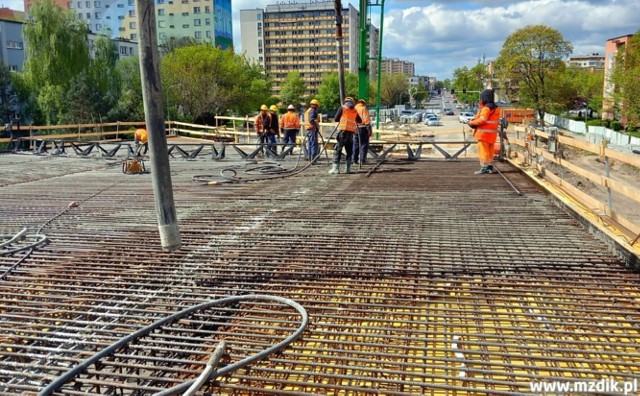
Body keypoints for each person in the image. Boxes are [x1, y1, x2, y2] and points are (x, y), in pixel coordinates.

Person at [468, 89, 500, 174]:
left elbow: (482, 119)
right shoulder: (496, 108)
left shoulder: (486, 108)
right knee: (490, 151)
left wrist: (471, 123)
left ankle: (484, 167)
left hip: (483, 135)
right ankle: (489, 166)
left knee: (483, 151)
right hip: (492, 134)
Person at [330, 97, 362, 174]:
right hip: (351, 133)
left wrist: (342, 118)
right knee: (349, 151)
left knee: (338, 149)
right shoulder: (354, 110)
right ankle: (348, 169)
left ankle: (336, 169)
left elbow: (336, 119)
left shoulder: (343, 108)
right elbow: (360, 121)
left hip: (343, 132)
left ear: (345, 102)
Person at [352, 98, 371, 165]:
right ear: (363, 103)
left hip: (354, 129)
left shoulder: (354, 108)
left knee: (355, 145)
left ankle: (354, 160)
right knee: (364, 144)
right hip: (363, 129)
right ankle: (362, 160)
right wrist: (369, 130)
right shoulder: (364, 108)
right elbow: (366, 119)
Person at [304, 99, 320, 163]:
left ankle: (311, 159)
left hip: (308, 129)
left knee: (310, 144)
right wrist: (315, 126)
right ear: (315, 105)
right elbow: (311, 119)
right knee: (314, 144)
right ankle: (313, 160)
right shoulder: (313, 111)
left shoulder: (308, 110)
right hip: (312, 129)